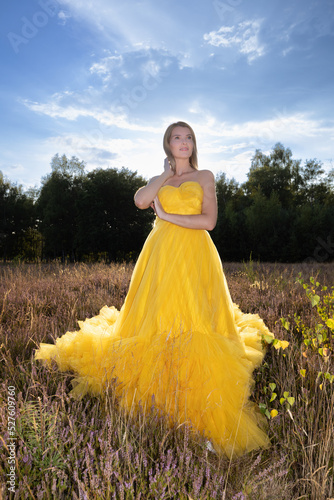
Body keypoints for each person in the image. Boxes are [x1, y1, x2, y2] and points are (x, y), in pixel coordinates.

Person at [35, 121, 274, 458]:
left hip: (194, 254)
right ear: (167, 144)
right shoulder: (159, 179)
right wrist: (163, 177)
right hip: (160, 255)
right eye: (177, 137)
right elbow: (140, 200)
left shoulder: (205, 176)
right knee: (158, 314)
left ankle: (198, 401)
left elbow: (209, 221)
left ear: (194, 143)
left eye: (189, 137)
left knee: (194, 317)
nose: (184, 142)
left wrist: (167, 215)